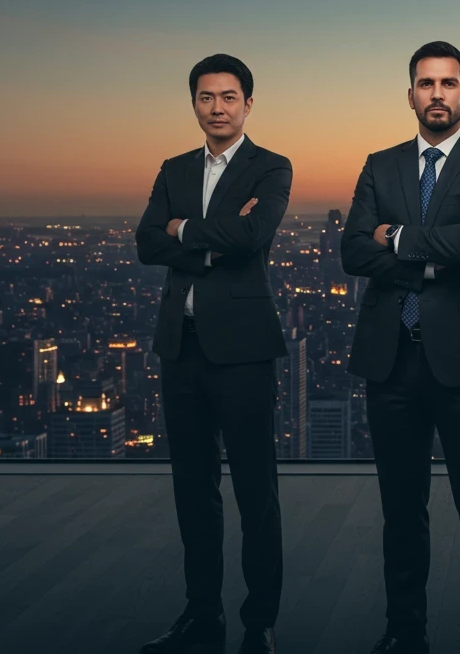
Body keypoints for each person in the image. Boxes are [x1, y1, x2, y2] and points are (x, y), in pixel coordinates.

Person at [340, 41, 460, 654]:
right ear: (409, 93)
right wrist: (436, 246)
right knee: (401, 509)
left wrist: (395, 239)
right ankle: (403, 633)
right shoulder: (379, 164)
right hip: (391, 359)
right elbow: (350, 251)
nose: (437, 94)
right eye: (426, 83)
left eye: (449, 83)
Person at [135, 54, 293, 654]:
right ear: (194, 104)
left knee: (257, 492)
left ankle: (260, 625)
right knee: (192, 492)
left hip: (245, 351)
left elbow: (254, 236)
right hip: (181, 351)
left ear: (248, 104)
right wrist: (203, 236)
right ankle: (202, 617)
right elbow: (146, 241)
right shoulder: (174, 168)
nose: (218, 107)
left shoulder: (270, 167)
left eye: (229, 97)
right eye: (207, 97)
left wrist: (182, 229)